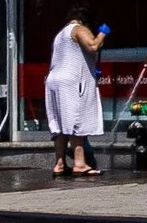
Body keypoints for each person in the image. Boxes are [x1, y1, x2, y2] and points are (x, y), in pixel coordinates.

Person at [42, 13, 107, 179]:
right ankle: (79, 163)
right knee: (77, 118)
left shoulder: (60, 35)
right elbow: (93, 46)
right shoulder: (78, 29)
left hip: (54, 80)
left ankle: (59, 163)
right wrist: (103, 33)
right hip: (72, 82)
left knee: (60, 123)